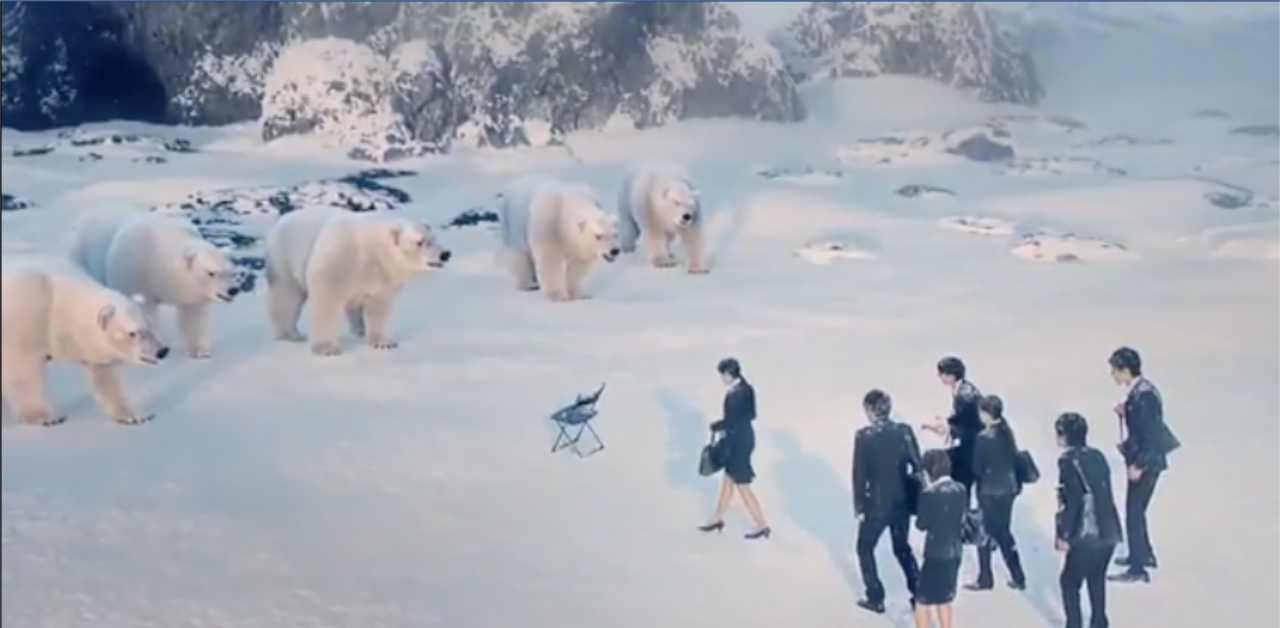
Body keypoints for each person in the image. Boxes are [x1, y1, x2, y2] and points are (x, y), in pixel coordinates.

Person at [1107, 346, 1179, 583]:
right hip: (1145, 459)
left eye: (1115, 371)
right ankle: (1144, 554)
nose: (1113, 376)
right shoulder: (1140, 390)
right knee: (1137, 511)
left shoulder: (1143, 396)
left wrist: (1139, 464)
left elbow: (1151, 434)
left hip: (1146, 461)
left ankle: (1138, 567)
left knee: (1134, 512)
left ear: (1126, 370)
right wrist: (1125, 411)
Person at [852, 389, 922, 614]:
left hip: (877, 504)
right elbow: (917, 465)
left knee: (864, 547)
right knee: (902, 548)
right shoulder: (904, 431)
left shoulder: (865, 437)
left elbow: (859, 474)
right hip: (901, 501)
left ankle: (875, 596)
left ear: (871, 411)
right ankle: (919, 592)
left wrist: (860, 506)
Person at [1054, 412, 1123, 628]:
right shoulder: (1098, 456)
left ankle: (1074, 624)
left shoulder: (1067, 461)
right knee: (1096, 577)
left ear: (1065, 436)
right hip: (1109, 528)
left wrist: (1064, 534)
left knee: (1069, 582)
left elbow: (1072, 502)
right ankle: (1099, 622)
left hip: (1086, 533)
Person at [699, 357, 771, 540]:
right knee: (728, 483)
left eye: (722, 375)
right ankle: (717, 518)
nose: (722, 379)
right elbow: (751, 415)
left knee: (742, 485)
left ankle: (761, 524)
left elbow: (731, 422)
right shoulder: (747, 388)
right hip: (745, 437)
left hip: (737, 443)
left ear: (729, 374)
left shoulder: (734, 394)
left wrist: (719, 426)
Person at [964, 394, 1027, 591]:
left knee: (983, 532)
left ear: (986, 414)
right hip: (1008, 488)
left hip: (989, 490)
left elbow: (977, 467)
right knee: (1004, 533)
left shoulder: (983, 438)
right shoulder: (1006, 431)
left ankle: (985, 577)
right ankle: (1018, 575)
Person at [914, 448, 968, 628]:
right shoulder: (960, 489)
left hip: (936, 552)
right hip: (955, 551)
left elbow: (921, 524)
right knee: (944, 598)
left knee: (922, 600)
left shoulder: (929, 495)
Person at [923, 357, 982, 501]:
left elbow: (968, 424)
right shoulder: (962, 390)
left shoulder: (965, 395)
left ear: (950, 375)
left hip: (969, 448)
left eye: (941, 374)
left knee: (960, 478)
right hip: (967, 444)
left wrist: (943, 427)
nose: (940, 378)